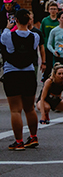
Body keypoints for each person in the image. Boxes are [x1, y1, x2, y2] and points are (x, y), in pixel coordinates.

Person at [2, 9, 43, 151]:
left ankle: (18, 141)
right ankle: (33, 136)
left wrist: (8, 27)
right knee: (29, 108)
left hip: (12, 73)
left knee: (15, 110)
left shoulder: (8, 35)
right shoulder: (35, 36)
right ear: (29, 21)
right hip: (28, 73)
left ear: (16, 21)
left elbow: (4, 41)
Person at [39, 1, 60, 79]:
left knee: (57, 65)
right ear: (48, 10)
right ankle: (46, 79)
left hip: (57, 47)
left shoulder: (59, 21)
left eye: (55, 9)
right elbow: (42, 33)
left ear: (57, 10)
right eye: (51, 9)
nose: (53, 10)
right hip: (47, 46)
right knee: (48, 65)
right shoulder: (45, 20)